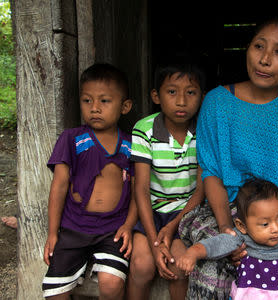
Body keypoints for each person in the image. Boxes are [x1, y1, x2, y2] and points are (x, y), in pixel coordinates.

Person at [179, 18, 278, 299]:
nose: (265, 59)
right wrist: (227, 228)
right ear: (247, 49)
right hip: (226, 207)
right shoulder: (216, 102)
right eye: (259, 47)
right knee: (213, 266)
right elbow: (211, 171)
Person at [41, 63, 137, 300]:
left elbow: (138, 191)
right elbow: (59, 186)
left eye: (104, 101)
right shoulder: (71, 138)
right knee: (55, 293)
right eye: (87, 101)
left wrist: (128, 225)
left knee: (112, 284)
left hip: (112, 230)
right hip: (73, 228)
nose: (94, 108)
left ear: (125, 106)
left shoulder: (131, 145)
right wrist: (53, 232)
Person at [127, 58, 206, 300]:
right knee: (142, 267)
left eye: (191, 92)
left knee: (179, 267)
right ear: (156, 96)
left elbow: (201, 190)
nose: (181, 101)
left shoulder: (204, 130)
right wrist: (155, 241)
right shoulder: (144, 129)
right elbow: (140, 188)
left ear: (202, 96)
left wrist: (172, 228)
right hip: (152, 213)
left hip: (187, 216)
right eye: (172, 92)